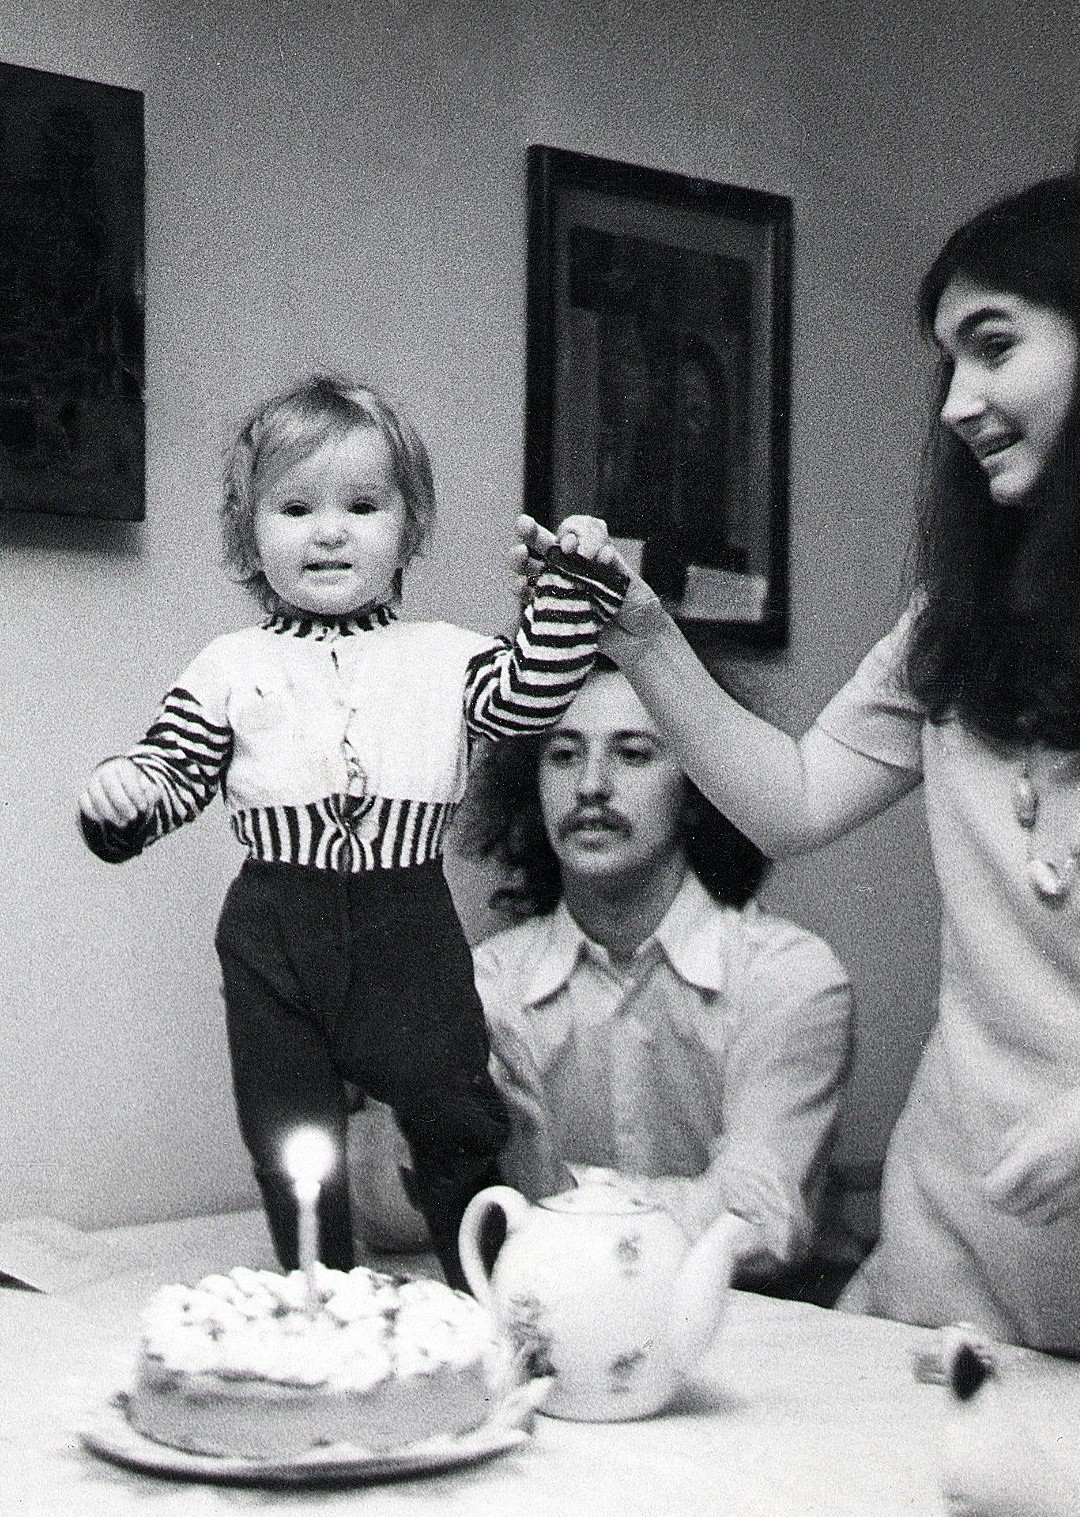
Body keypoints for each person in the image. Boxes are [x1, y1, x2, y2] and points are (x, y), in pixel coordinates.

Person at [518, 174, 1080, 1353]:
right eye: (948, 365)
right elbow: (795, 799)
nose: (958, 404)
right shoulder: (951, 622)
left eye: (995, 347)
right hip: (948, 1267)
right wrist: (642, 635)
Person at [76, 373, 626, 1290]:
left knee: (456, 1114)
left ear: (409, 527)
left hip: (405, 923)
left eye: (363, 506)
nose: (329, 531)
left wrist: (568, 588)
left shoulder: (446, 656)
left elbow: (532, 695)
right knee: (288, 1126)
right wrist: (123, 795)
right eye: (295, 508)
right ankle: (317, 1293)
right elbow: (173, 770)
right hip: (273, 930)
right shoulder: (229, 665)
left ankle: (487, 1289)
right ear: (247, 532)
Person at [455, 655, 853, 1289]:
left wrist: (554, 1192)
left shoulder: (787, 976)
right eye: (564, 755)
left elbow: (761, 1222)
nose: (591, 785)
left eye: (633, 754)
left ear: (698, 787)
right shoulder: (488, 985)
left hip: (743, 1328)